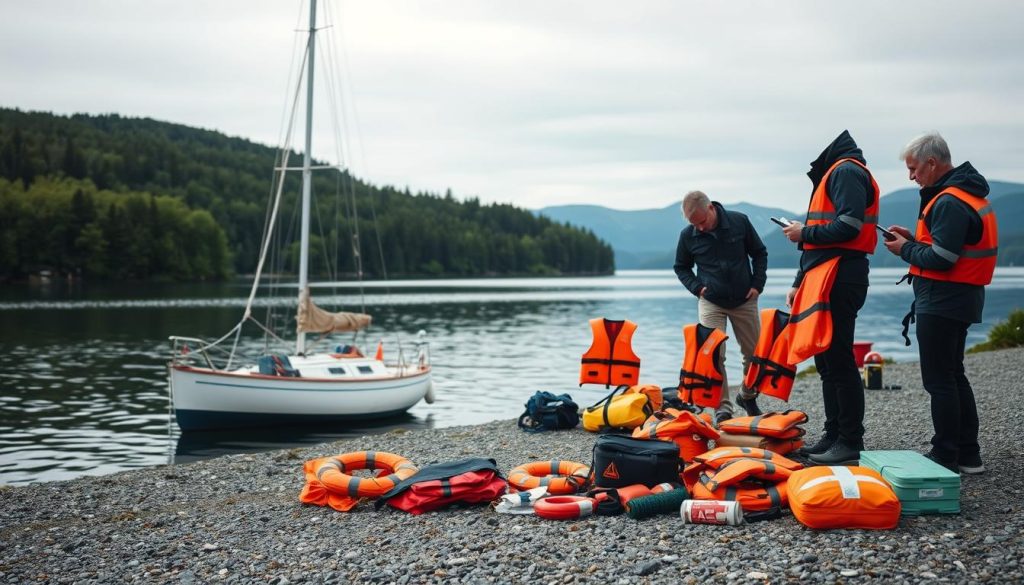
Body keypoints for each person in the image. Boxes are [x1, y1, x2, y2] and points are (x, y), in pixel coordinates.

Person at [883, 133, 995, 475]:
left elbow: (943, 258)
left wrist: (905, 249)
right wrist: (915, 240)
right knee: (953, 374)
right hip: (962, 297)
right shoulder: (967, 195)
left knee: (940, 380)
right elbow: (948, 248)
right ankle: (968, 454)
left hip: (943, 300)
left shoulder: (948, 201)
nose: (911, 177)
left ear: (932, 163)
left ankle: (945, 454)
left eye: (914, 168)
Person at [782, 130, 879, 465]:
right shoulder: (836, 173)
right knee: (826, 360)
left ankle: (850, 441)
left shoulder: (846, 171)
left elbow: (849, 227)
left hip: (842, 277)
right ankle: (834, 434)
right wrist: (799, 280)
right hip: (824, 276)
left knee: (838, 359)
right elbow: (820, 241)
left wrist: (802, 232)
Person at [674, 190, 768, 424]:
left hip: (744, 299)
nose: (701, 228)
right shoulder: (688, 235)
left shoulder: (739, 222)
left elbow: (759, 253)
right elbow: (681, 267)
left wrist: (758, 284)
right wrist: (697, 288)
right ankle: (722, 408)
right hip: (711, 302)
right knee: (714, 356)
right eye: (695, 224)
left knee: (755, 355)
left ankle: (747, 395)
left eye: (702, 222)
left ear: (711, 208)